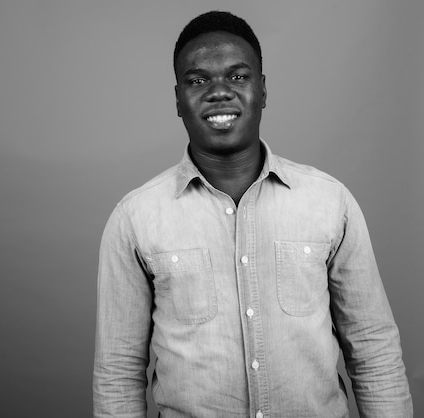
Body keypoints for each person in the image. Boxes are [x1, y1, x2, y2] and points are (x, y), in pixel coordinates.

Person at [93, 10, 413, 418]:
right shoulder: (135, 218)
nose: (219, 91)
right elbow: (118, 373)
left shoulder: (330, 202)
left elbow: (373, 349)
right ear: (178, 99)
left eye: (238, 76)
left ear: (262, 91)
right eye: (197, 80)